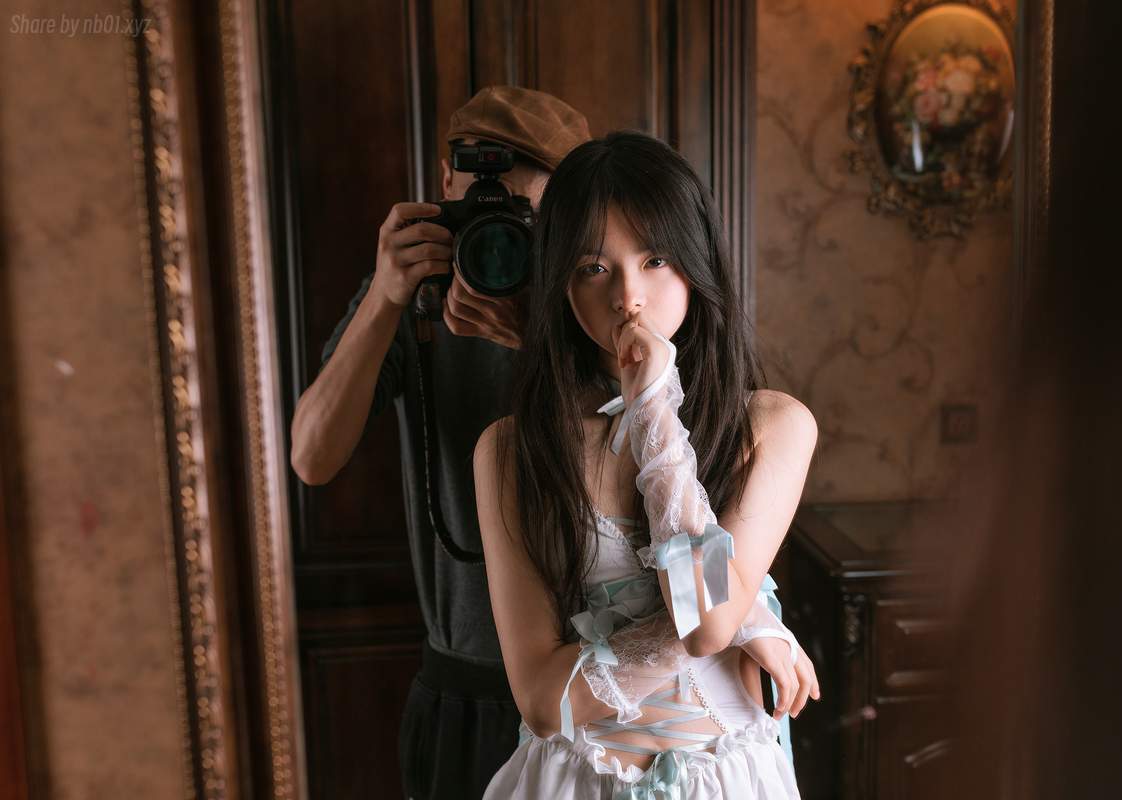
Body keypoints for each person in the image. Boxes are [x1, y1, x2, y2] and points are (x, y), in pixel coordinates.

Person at [473, 131, 821, 798]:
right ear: (561, 283)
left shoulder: (773, 426)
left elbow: (706, 622)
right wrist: (748, 616)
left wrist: (655, 406)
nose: (627, 297)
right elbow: (542, 702)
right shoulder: (513, 449)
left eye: (655, 259)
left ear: (695, 262)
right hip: (575, 782)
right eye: (593, 267)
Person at [289, 86, 591, 799]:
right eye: (479, 197)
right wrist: (385, 295)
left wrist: (539, 343)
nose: (498, 229)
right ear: (447, 184)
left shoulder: (597, 294)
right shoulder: (414, 295)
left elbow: (650, 463)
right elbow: (311, 457)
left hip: (591, 678)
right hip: (461, 686)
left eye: (522, 211)